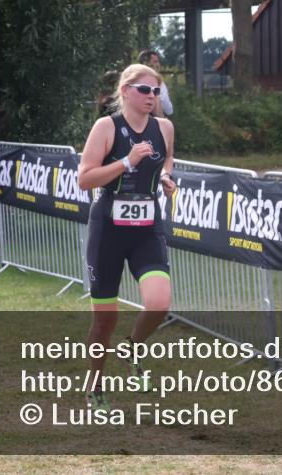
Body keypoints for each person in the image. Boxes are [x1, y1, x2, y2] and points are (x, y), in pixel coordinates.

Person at [78, 63, 177, 410]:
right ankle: (94, 386)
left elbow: (167, 162)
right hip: (108, 230)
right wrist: (127, 162)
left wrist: (165, 179)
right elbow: (85, 179)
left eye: (156, 91)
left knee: (159, 302)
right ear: (125, 92)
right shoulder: (107, 127)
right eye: (145, 90)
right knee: (104, 320)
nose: (152, 97)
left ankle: (133, 345)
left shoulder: (164, 127)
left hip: (147, 228)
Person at [137, 50, 174, 117]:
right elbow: (164, 101)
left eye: (158, 62)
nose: (158, 65)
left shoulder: (133, 79)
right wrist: (170, 111)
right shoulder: (157, 81)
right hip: (154, 119)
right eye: (155, 62)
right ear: (145, 63)